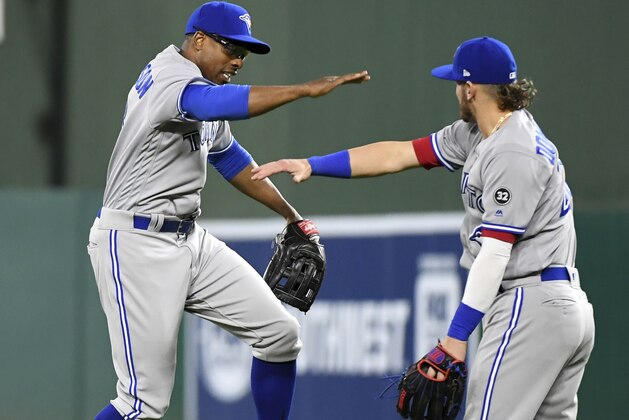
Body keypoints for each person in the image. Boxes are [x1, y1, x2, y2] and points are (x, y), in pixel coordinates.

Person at [252, 36, 595, 419]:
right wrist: (314, 164)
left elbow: (496, 253)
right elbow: (399, 154)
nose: (455, 91)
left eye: (456, 84)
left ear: (470, 89)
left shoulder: (512, 149)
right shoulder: (483, 134)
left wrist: (456, 336)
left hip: (530, 304)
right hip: (559, 305)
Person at [87, 2, 369, 419]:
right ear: (198, 40)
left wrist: (289, 214)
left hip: (189, 240)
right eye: (230, 48)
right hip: (135, 243)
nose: (238, 60)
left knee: (279, 335)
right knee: (142, 403)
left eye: (244, 52)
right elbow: (218, 104)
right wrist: (302, 90)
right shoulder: (172, 78)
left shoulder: (201, 83)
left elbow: (230, 158)